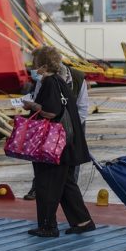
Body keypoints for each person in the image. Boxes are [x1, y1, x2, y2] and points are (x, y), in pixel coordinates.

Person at [21, 46, 95, 237]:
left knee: (47, 183)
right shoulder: (60, 81)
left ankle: (48, 226)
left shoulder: (49, 83)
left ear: (44, 66)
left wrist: (32, 105)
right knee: (66, 183)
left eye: (35, 64)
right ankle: (82, 221)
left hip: (52, 144)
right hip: (66, 142)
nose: (32, 67)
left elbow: (51, 112)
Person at [23, 61, 89, 199]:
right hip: (50, 126)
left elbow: (82, 108)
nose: (36, 71)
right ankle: (38, 188)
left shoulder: (77, 79)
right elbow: (39, 99)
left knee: (70, 161)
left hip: (71, 125)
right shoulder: (44, 79)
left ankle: (68, 192)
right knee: (42, 157)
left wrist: (71, 127)